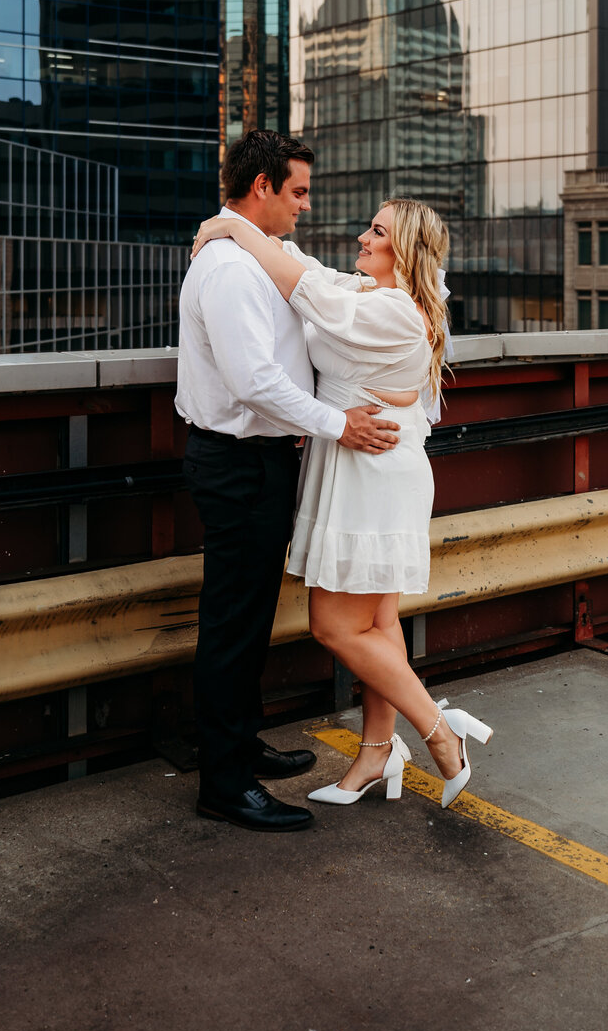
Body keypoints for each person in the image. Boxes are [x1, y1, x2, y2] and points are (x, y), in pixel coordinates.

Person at [191, 197, 493, 810]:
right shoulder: (372, 294)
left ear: (402, 250)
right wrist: (245, 230)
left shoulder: (394, 311)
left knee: (332, 624)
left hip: (370, 474)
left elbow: (303, 284)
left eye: (376, 231)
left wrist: (231, 228)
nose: (361, 236)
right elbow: (314, 272)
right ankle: (375, 756)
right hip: (365, 464)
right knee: (378, 624)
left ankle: (438, 732)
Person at [176, 130, 402, 834]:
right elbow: (255, 381)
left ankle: (238, 747)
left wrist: (224, 223)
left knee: (246, 621)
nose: (307, 206)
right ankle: (224, 782)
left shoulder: (255, 254)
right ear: (264, 188)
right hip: (238, 462)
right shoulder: (229, 269)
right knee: (233, 627)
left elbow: (313, 275)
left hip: (263, 463)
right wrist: (339, 424)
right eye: (298, 191)